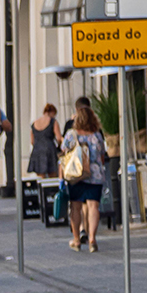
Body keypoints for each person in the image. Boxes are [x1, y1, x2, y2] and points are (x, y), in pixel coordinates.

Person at [59, 100, 108, 252]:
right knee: (93, 206)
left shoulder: (70, 135)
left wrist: (61, 178)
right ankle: (92, 239)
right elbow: (101, 155)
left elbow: (63, 155)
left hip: (76, 175)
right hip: (95, 174)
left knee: (75, 207)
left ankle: (76, 239)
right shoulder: (97, 136)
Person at [28, 103, 60, 179]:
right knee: (53, 175)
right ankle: (52, 190)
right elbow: (58, 138)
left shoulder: (34, 123)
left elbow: (32, 141)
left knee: (41, 176)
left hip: (37, 150)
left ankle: (43, 190)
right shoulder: (53, 122)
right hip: (49, 149)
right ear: (52, 112)